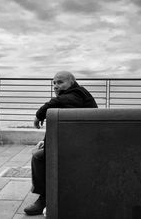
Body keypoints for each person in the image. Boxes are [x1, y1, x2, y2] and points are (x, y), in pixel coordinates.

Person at [24, 71, 98, 215]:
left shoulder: (76, 94)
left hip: (83, 146)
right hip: (82, 142)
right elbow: (60, 125)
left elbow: (56, 102)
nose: (56, 86)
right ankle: (49, 195)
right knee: (43, 153)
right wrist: (46, 141)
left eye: (60, 82)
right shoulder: (75, 97)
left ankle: (45, 198)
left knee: (39, 158)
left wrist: (38, 115)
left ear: (71, 82)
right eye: (54, 83)